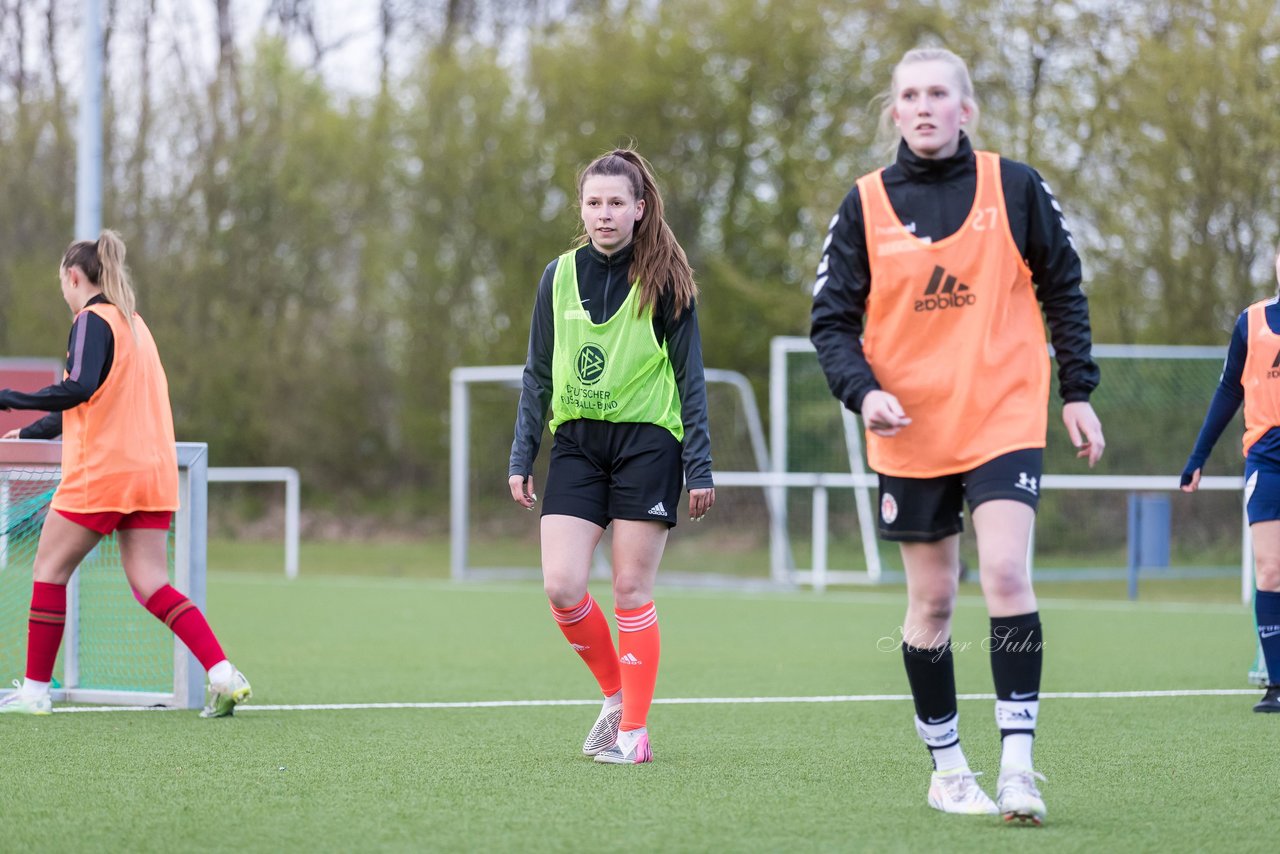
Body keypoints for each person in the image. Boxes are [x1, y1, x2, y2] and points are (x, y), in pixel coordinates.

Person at [810, 47, 1104, 824]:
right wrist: (863, 391)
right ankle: (948, 769)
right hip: (910, 429)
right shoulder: (863, 205)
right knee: (933, 603)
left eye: (940, 92)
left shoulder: (1016, 186)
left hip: (1003, 413)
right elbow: (832, 322)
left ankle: (1018, 767)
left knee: (1006, 573)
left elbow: (1063, 285)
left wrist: (1077, 391)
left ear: (965, 107)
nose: (926, 106)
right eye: (910, 95)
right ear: (895, 112)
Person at [508, 148, 714, 765]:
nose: (604, 213)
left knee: (629, 586)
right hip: (575, 443)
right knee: (562, 585)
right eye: (594, 202)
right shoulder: (557, 276)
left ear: (639, 209)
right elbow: (537, 371)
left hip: (648, 443)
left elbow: (691, 379)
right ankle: (615, 696)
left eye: (616, 202)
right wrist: (523, 452)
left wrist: (699, 465)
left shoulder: (667, 281)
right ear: (582, 208)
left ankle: (634, 733)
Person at [0, 230, 252, 717]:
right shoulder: (135, 324)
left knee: (49, 570)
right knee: (152, 584)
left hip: (103, 475)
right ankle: (222, 674)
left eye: (62, 281)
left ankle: (34, 692)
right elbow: (92, 399)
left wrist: (9, 397)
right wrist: (30, 431)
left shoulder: (90, 320)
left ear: (73, 277)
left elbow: (78, 388)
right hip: (152, 475)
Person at [1181, 242, 1280, 715]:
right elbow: (1227, 391)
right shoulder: (1252, 322)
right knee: (1270, 570)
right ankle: (1277, 684)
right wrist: (1198, 454)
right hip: (1267, 459)